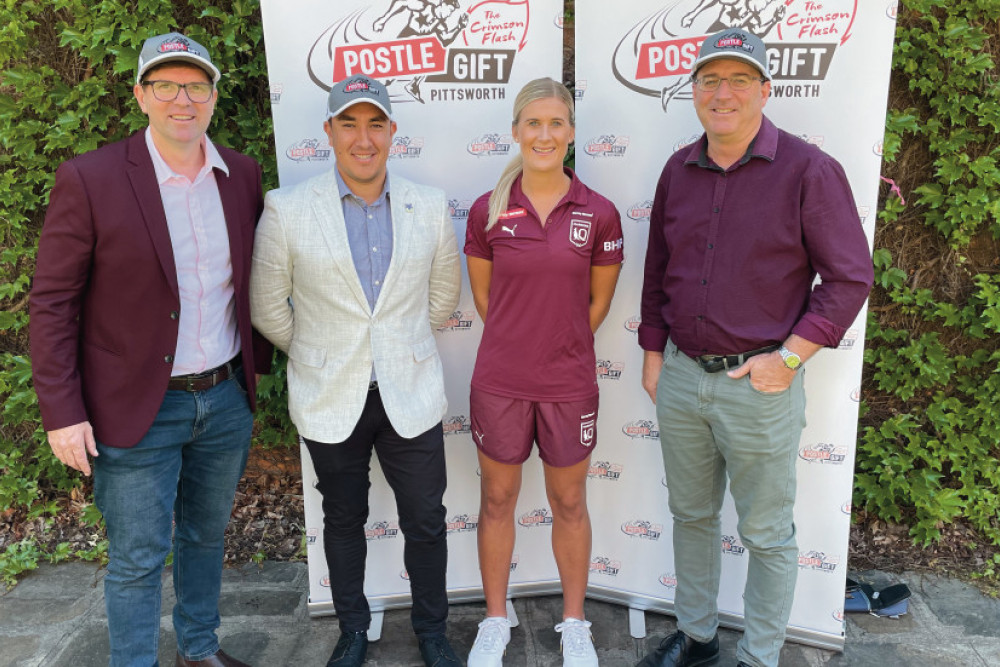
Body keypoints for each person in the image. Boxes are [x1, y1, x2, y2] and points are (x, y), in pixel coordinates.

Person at [30, 32, 272, 667]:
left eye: (195, 85)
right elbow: (53, 302)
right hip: (135, 409)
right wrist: (61, 410)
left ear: (214, 97)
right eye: (165, 85)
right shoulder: (90, 178)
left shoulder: (241, 175)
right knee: (137, 558)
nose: (181, 99)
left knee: (204, 537)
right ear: (141, 95)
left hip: (223, 399)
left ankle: (198, 651)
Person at [636, 29, 873, 667]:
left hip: (760, 384)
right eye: (710, 79)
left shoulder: (808, 170)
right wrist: (654, 354)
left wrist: (788, 358)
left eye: (740, 79)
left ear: (766, 90)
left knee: (766, 534)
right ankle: (698, 636)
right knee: (690, 516)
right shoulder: (677, 169)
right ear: (693, 92)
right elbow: (659, 266)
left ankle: (760, 656)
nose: (723, 93)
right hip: (683, 378)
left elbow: (850, 277)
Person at [249, 74, 462, 667]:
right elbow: (268, 307)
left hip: (410, 392)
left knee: (426, 518)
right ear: (329, 131)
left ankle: (433, 631)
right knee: (343, 519)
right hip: (328, 394)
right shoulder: (288, 209)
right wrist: (322, 350)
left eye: (375, 123)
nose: (363, 138)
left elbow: (442, 299)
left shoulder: (430, 205)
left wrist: (392, 346)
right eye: (349, 123)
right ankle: (352, 631)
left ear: (393, 131)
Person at [463, 77, 623, 667]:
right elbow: (485, 301)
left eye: (556, 123)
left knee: (570, 502)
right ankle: (495, 619)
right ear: (515, 131)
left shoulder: (599, 213)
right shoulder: (489, 210)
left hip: (568, 383)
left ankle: (574, 621)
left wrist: (557, 344)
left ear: (572, 133)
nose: (545, 134)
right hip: (501, 382)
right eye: (534, 123)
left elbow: (597, 306)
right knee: (498, 499)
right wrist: (520, 341)